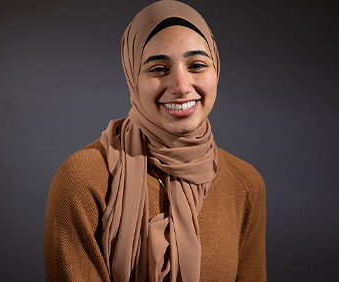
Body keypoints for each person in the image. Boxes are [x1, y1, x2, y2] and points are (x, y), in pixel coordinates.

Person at [43, 1, 266, 281]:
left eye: (197, 65)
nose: (182, 86)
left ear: (216, 70)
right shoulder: (83, 179)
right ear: (132, 78)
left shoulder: (244, 184)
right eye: (159, 69)